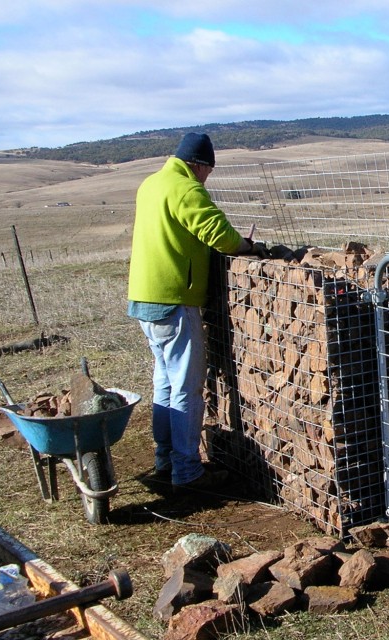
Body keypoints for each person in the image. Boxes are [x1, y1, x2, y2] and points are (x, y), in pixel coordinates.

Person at [127, 132, 255, 493]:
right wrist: (246, 246)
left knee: (164, 383)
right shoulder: (185, 189)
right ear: (199, 165)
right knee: (186, 386)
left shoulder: (151, 184)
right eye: (207, 172)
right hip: (173, 299)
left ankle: (164, 459)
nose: (206, 180)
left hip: (144, 298)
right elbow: (219, 234)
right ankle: (187, 471)